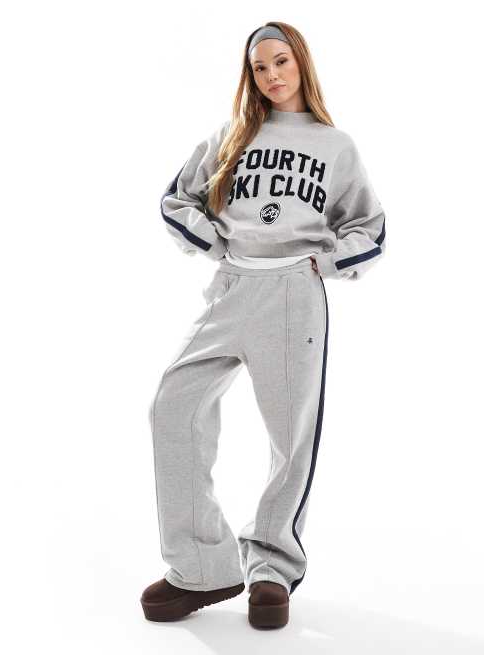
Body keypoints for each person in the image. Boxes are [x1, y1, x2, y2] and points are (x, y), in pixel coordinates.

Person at [140, 21, 386, 629]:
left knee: (289, 435)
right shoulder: (230, 135)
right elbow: (177, 200)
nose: (272, 75)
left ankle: (272, 565)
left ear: (301, 62)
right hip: (231, 288)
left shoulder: (335, 146)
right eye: (259, 67)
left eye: (281, 61)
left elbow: (369, 226)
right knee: (173, 405)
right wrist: (215, 243)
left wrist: (324, 262)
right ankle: (202, 567)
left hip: (293, 294)